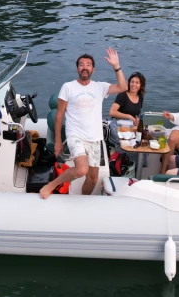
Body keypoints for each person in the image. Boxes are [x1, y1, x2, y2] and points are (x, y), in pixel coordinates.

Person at [39, 48, 128, 199]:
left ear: (93, 69)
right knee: (81, 170)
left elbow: (123, 87)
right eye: (81, 64)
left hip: (95, 138)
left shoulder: (100, 87)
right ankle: (51, 185)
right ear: (77, 69)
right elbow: (59, 115)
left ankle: (83, 200)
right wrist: (58, 142)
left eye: (88, 64)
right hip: (75, 135)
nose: (84, 67)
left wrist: (116, 66)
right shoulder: (68, 87)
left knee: (93, 178)